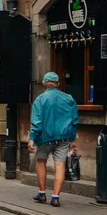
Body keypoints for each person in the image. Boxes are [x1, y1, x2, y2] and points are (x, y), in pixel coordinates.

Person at [29, 72, 79, 207]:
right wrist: (73, 139)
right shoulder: (69, 99)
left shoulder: (40, 100)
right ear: (58, 84)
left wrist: (32, 138)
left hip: (45, 137)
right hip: (64, 137)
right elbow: (74, 121)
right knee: (60, 165)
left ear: (44, 83)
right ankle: (55, 197)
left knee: (40, 162)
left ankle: (42, 193)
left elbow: (37, 122)